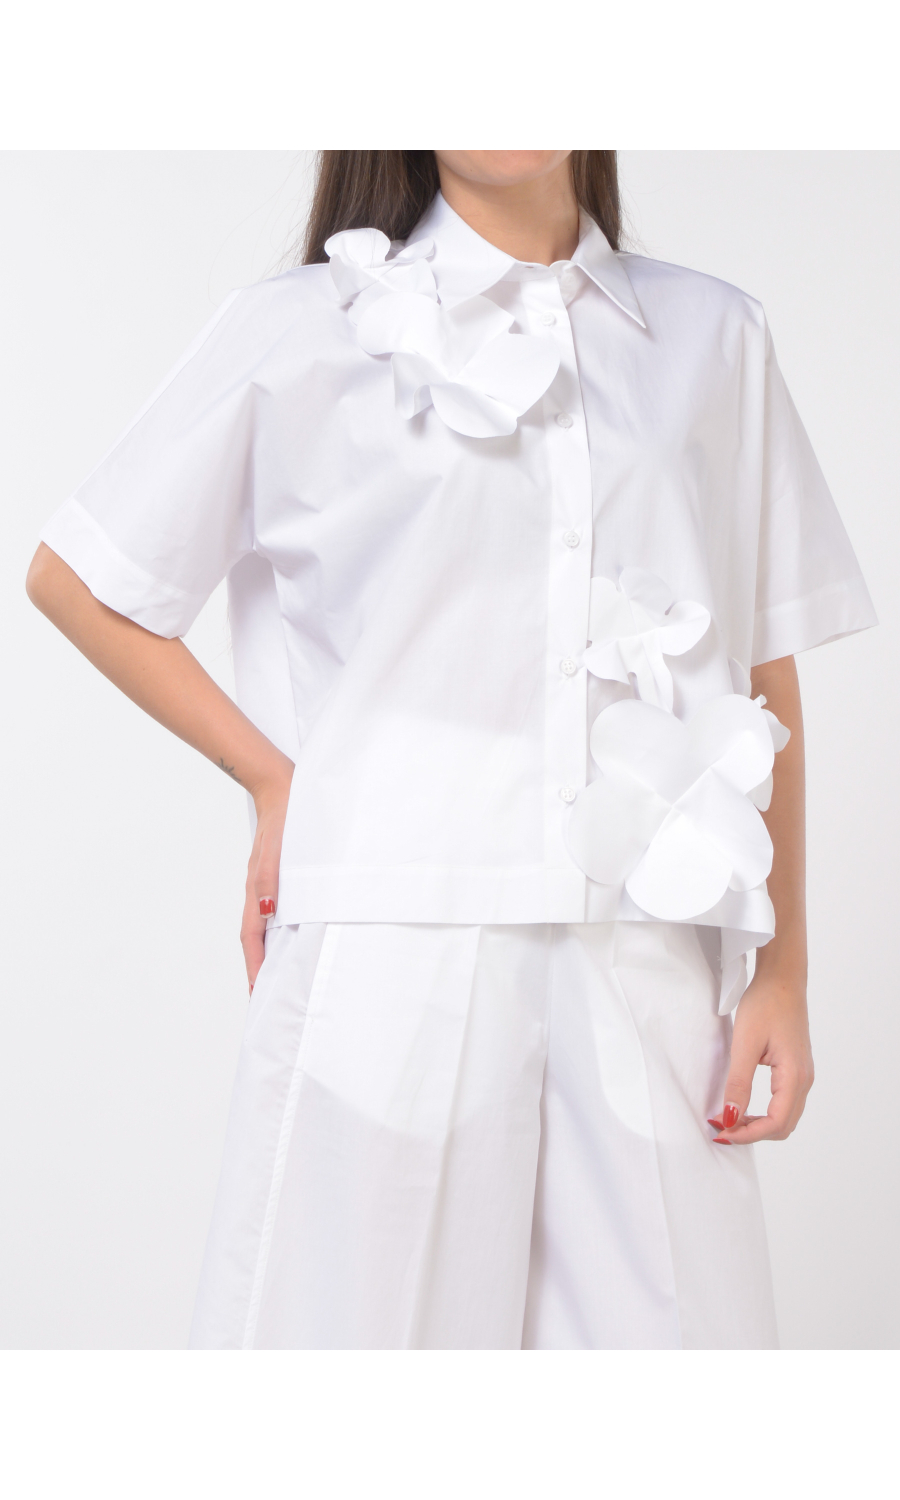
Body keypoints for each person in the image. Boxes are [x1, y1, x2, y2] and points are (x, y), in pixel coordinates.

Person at [26, 150, 876, 1349]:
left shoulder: (712, 336)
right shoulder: (303, 330)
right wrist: (273, 780)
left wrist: (783, 971)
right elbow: (80, 578)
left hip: (647, 962)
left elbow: (758, 662)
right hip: (390, 950)